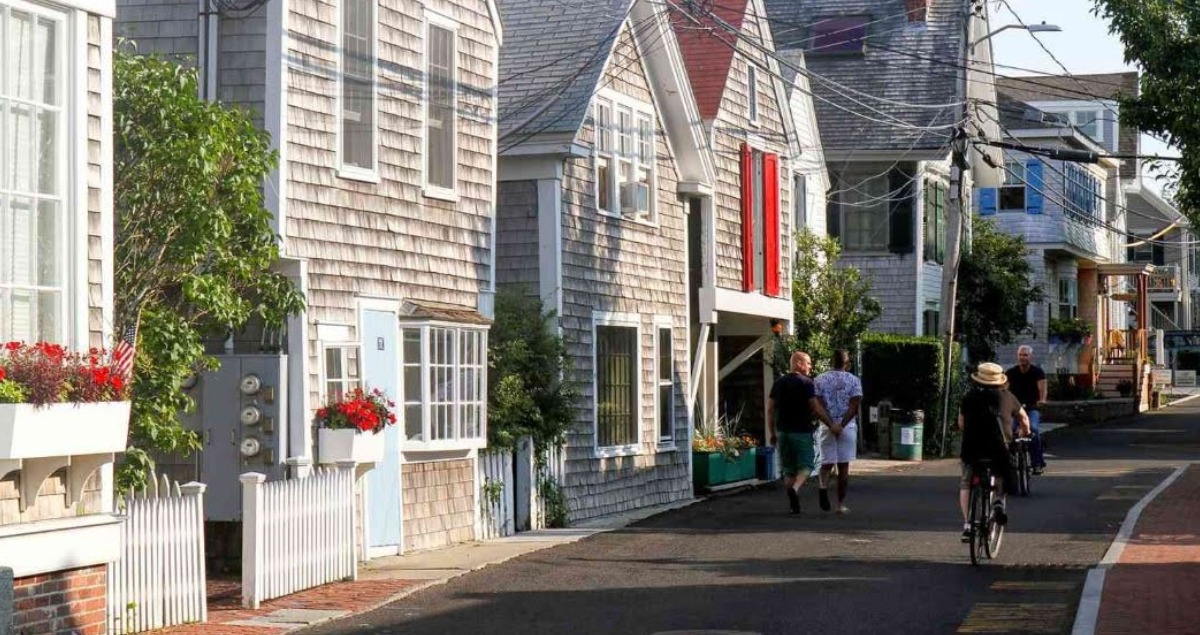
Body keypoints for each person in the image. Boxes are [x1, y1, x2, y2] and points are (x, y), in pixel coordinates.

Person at [957, 362, 1025, 541]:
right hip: (998, 449)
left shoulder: (969, 397)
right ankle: (998, 502)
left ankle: (968, 524)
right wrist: (1025, 432)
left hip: (972, 449)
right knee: (1002, 471)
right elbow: (1024, 419)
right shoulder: (1007, 397)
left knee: (966, 484)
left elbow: (961, 424)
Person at [767, 351, 837, 514]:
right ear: (798, 363)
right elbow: (815, 406)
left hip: (783, 432)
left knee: (788, 469)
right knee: (807, 465)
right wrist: (830, 423)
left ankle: (793, 505)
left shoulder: (778, 383)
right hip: (801, 431)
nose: (810, 367)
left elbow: (770, 408)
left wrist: (772, 432)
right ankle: (796, 488)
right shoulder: (806, 383)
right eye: (808, 363)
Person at [814, 350, 863, 514]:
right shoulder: (854, 381)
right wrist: (841, 424)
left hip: (827, 425)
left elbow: (818, 406)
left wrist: (830, 424)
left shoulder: (819, 379)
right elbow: (854, 406)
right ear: (847, 363)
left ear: (831, 361)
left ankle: (822, 487)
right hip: (846, 426)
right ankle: (840, 504)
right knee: (843, 467)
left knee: (826, 463)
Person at [1005, 345, 1048, 474]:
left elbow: (1043, 389)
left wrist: (1042, 400)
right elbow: (1005, 390)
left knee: (1033, 430)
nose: (1022, 358)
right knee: (1009, 431)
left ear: (1031, 357)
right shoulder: (1011, 373)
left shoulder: (1037, 372)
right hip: (1014, 409)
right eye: (1021, 355)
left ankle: (1037, 463)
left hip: (1031, 408)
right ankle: (1010, 461)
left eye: (1025, 355)